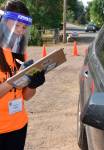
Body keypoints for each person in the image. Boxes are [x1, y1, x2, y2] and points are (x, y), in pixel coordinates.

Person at [0, 0, 45, 149]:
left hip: (18, 126)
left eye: (24, 27)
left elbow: (25, 96)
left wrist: (33, 83)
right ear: (3, 22)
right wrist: (15, 79)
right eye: (16, 25)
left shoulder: (19, 53)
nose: (20, 30)